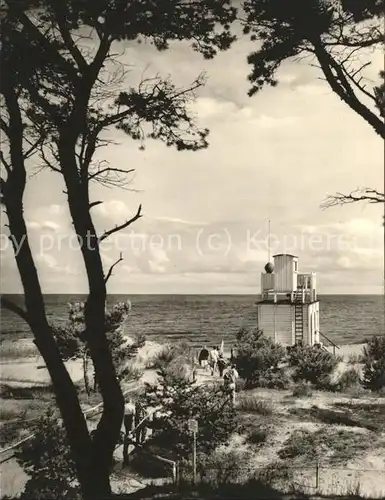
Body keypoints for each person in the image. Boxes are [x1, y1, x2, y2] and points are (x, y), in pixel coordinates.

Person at [122, 398, 135, 466]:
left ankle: (127, 434)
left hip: (125, 417)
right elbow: (134, 413)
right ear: (130, 401)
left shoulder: (124, 406)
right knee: (131, 426)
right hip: (130, 416)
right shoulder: (132, 406)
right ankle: (131, 435)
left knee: (127, 427)